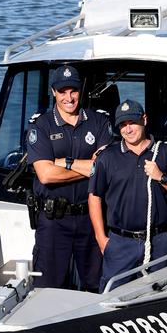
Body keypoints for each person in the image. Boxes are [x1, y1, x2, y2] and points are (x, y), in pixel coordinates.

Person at [88, 99, 167, 292]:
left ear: (144, 119)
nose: (128, 129)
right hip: (120, 244)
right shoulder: (107, 157)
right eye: (122, 125)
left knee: (161, 299)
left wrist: (161, 177)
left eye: (132, 123)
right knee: (112, 301)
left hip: (158, 242)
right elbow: (94, 197)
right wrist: (101, 239)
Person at [26, 65, 113, 291]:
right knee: (48, 288)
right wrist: (88, 167)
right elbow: (45, 175)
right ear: (54, 92)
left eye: (73, 90)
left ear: (80, 90)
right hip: (54, 221)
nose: (69, 97)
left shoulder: (100, 123)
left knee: (98, 286)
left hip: (91, 217)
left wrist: (62, 162)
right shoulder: (41, 126)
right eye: (62, 91)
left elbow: (104, 169)